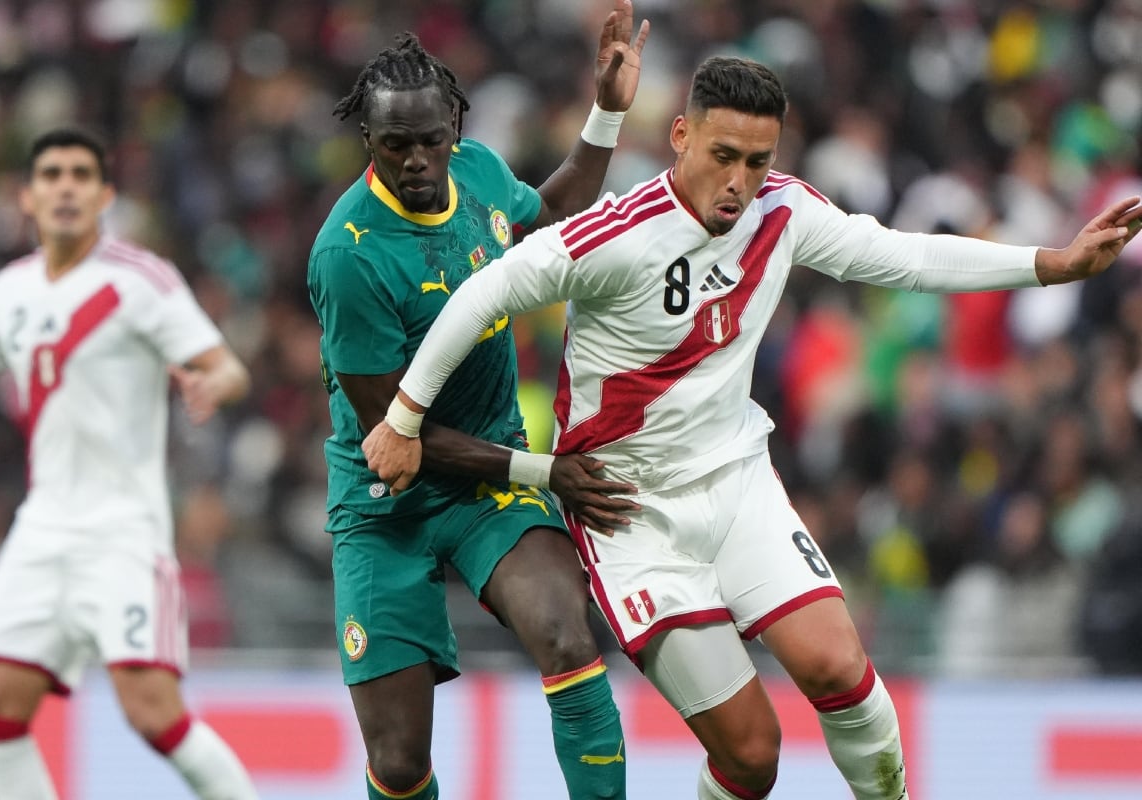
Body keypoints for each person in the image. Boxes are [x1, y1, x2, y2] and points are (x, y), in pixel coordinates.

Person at [362, 56, 1142, 800]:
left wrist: (1051, 263)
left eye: (758, 161)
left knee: (843, 671)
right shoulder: (614, 236)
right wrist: (403, 418)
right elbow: (483, 293)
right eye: (723, 155)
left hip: (736, 484)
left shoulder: (785, 211)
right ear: (681, 137)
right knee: (753, 754)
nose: (738, 183)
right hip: (629, 513)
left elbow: (902, 256)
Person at [305, 4, 648, 799]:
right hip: (385, 501)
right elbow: (395, 437)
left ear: (455, 125)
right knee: (397, 763)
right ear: (368, 141)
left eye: (432, 140)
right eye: (397, 146)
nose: (419, 161)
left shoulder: (482, 173)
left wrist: (606, 112)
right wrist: (546, 470)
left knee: (567, 635)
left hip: (487, 487)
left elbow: (553, 215)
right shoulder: (347, 257)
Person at [0, 128, 258, 800]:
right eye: (51, 174)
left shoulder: (139, 281)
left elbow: (225, 364)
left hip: (123, 533)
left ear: (104, 194)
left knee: (153, 714)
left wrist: (213, 384)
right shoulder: (9, 292)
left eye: (82, 175)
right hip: (42, 529)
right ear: (26, 196)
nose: (66, 186)